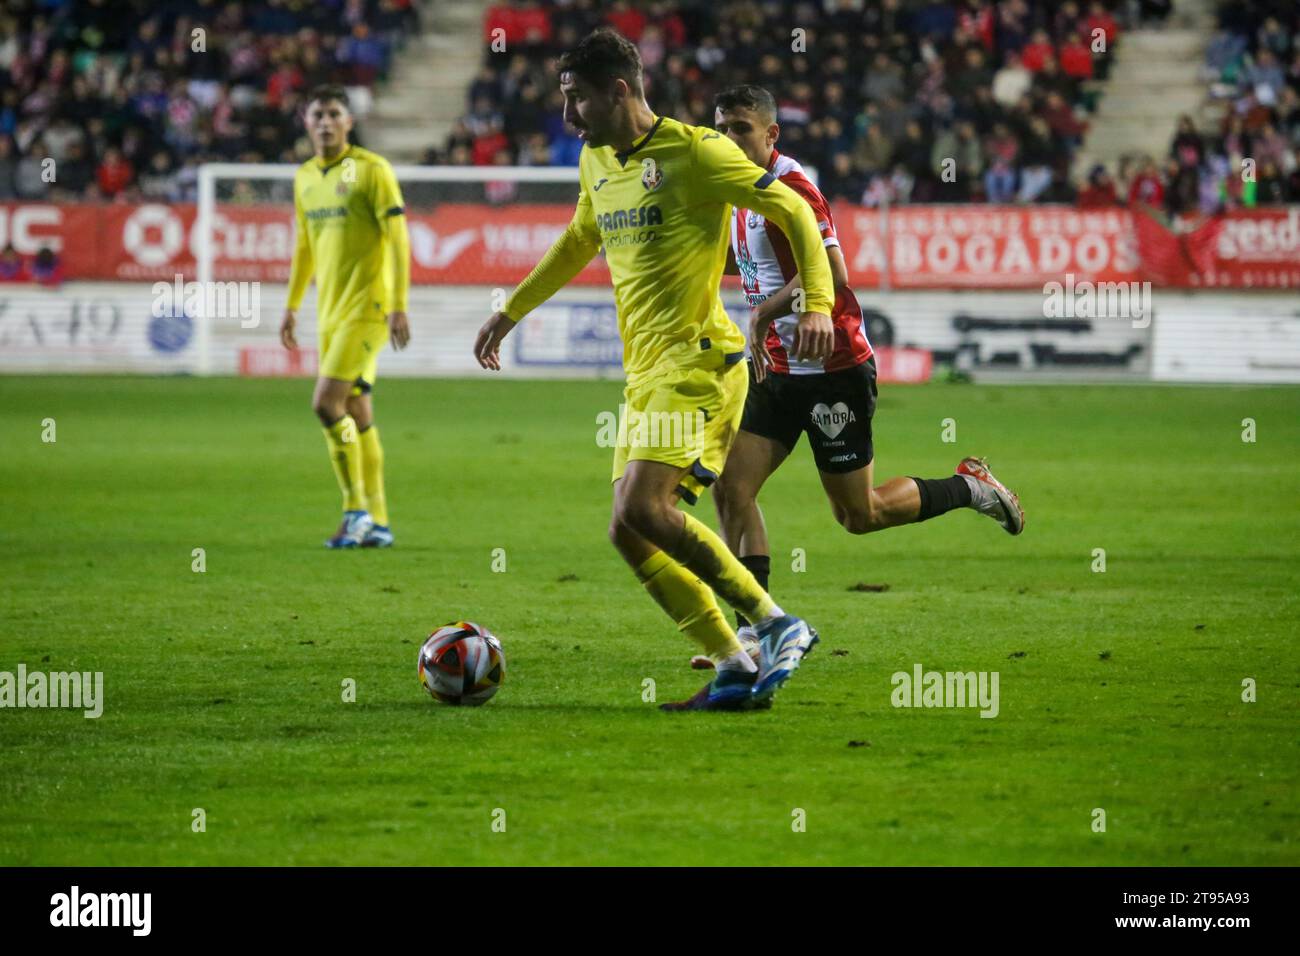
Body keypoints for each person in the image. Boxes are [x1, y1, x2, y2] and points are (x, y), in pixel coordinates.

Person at [472, 29, 835, 711]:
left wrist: (816, 302)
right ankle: (731, 664)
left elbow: (794, 206)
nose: (568, 117)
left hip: (696, 362)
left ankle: (776, 624)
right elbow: (581, 236)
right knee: (627, 528)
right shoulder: (595, 162)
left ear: (619, 90)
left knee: (644, 506)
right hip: (643, 374)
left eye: (578, 100)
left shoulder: (697, 152)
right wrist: (512, 310)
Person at [703, 84, 1024, 667]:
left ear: (771, 135)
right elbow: (750, 259)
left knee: (859, 515)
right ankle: (757, 629)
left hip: (833, 370)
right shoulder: (736, 190)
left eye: (741, 128)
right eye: (721, 127)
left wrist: (764, 313)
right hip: (777, 371)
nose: (729, 138)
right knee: (731, 488)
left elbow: (833, 268)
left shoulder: (791, 187)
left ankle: (972, 487)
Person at [280, 85, 411, 548]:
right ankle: (378, 522)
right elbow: (303, 247)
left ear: (349, 122)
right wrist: (293, 304)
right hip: (330, 313)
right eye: (318, 114)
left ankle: (354, 510)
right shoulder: (304, 179)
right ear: (306, 121)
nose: (326, 122)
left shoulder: (372, 171)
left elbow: (397, 239)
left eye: (335, 114)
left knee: (324, 403)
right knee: (356, 409)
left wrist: (398, 303)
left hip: (369, 309)